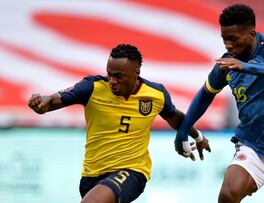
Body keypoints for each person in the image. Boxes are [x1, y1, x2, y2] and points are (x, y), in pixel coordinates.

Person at [28, 44, 211, 203]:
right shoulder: (92, 88)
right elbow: (51, 101)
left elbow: (174, 117)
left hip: (132, 171)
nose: (112, 81)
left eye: (118, 76)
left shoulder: (155, 94)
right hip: (91, 175)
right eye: (109, 75)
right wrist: (40, 104)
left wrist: (197, 135)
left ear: (136, 73)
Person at [175, 4, 264, 203]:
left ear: (251, 34)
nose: (228, 45)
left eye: (233, 39)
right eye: (224, 39)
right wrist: (183, 131)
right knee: (228, 195)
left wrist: (245, 67)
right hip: (252, 146)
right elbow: (205, 94)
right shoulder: (227, 63)